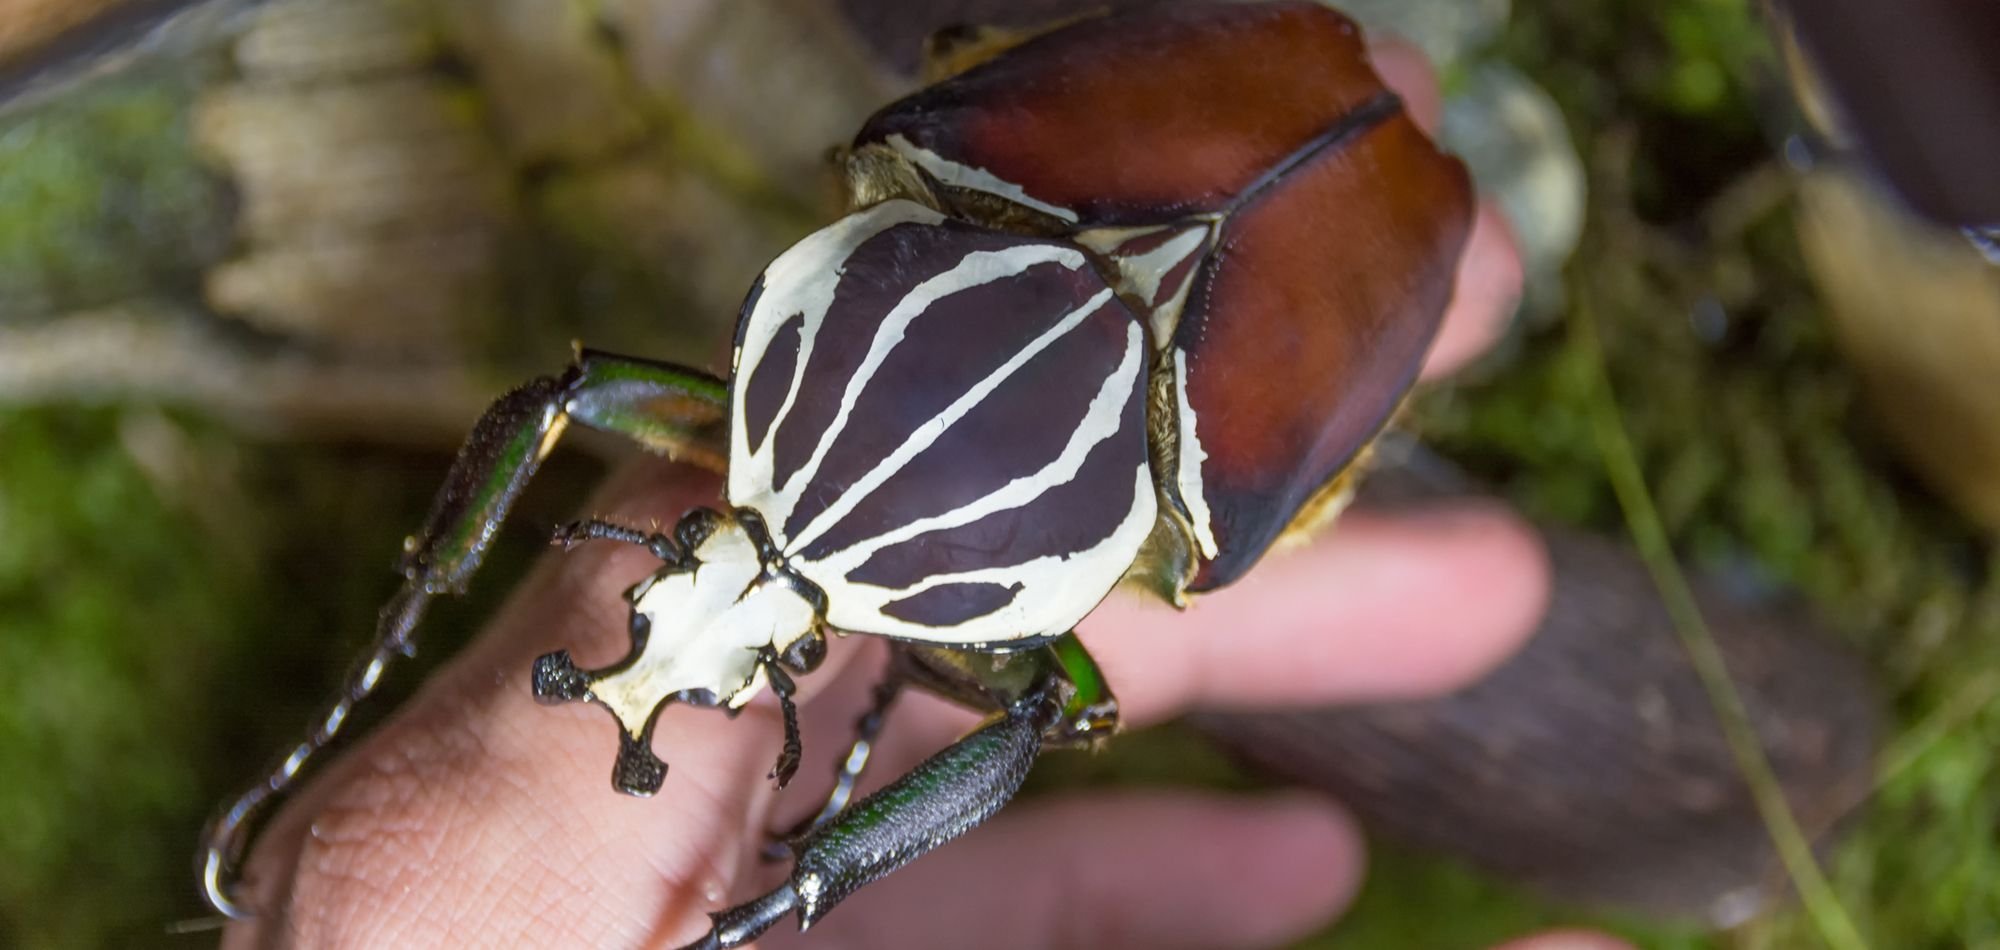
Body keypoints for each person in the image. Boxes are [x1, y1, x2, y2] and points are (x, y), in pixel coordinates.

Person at [219, 45, 1628, 950]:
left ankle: (785, 854)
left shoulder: (1151, 473)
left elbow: (561, 395)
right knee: (1050, 692)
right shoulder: (935, 200)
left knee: (1051, 687)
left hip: (1239, 149)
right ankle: (791, 856)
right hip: (1230, 170)